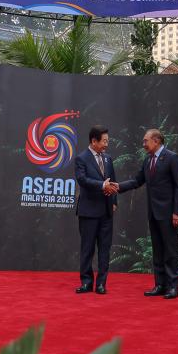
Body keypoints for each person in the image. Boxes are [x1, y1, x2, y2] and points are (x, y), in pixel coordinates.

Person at [108, 129, 178, 299]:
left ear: (156, 141)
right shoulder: (148, 160)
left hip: (168, 213)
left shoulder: (172, 158)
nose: (143, 144)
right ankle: (160, 285)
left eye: (146, 141)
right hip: (153, 213)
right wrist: (119, 186)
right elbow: (137, 181)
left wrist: (177, 212)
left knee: (170, 250)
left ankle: (173, 287)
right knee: (157, 250)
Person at [73, 125, 118, 294]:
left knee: (105, 249)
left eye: (107, 141)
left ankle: (101, 284)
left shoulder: (108, 158)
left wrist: (114, 201)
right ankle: (86, 282)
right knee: (87, 248)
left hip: (106, 212)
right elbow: (82, 180)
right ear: (94, 141)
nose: (107, 144)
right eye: (104, 141)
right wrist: (101, 185)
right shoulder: (81, 158)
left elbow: (113, 182)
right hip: (88, 212)